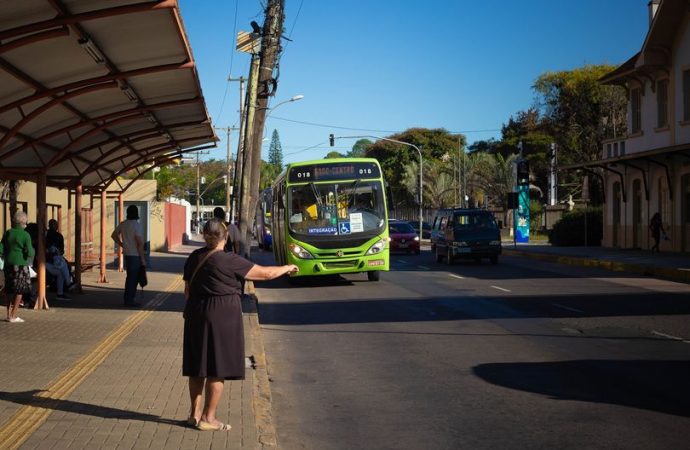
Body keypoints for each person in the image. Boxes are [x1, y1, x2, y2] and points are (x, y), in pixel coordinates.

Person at [182, 218, 298, 431]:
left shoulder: (194, 257)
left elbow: (187, 290)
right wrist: (287, 267)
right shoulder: (229, 260)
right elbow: (265, 273)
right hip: (222, 317)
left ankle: (193, 414)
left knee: (197, 367)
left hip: (196, 315)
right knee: (217, 368)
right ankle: (209, 418)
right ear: (225, 237)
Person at [1, 211, 35, 323]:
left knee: (9, 289)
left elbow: (1, 248)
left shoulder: (8, 233)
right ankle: (13, 315)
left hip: (8, 264)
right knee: (19, 290)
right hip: (20, 264)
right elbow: (30, 252)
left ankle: (7, 314)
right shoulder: (26, 235)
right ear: (23, 222)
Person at [111, 205, 146, 307]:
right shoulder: (137, 225)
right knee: (133, 279)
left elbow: (113, 235)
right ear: (136, 213)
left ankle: (128, 299)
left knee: (129, 277)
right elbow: (139, 243)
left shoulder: (123, 224)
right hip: (135, 255)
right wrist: (142, 258)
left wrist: (122, 244)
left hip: (127, 254)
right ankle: (130, 300)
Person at [45, 219, 72, 300]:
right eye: (54, 225)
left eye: (55, 225)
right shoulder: (49, 235)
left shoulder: (54, 235)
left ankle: (65, 287)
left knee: (63, 266)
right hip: (48, 259)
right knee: (65, 265)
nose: (56, 226)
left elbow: (62, 250)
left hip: (54, 257)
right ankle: (68, 284)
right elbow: (62, 251)